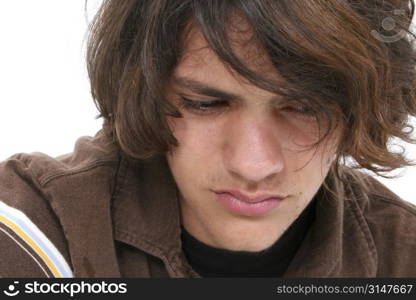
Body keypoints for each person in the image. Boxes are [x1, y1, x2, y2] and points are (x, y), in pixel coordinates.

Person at [1, 0, 416, 278]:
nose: (253, 165)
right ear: (144, 90)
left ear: (363, 106)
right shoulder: (32, 228)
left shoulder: (402, 256)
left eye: (305, 107)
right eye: (206, 104)